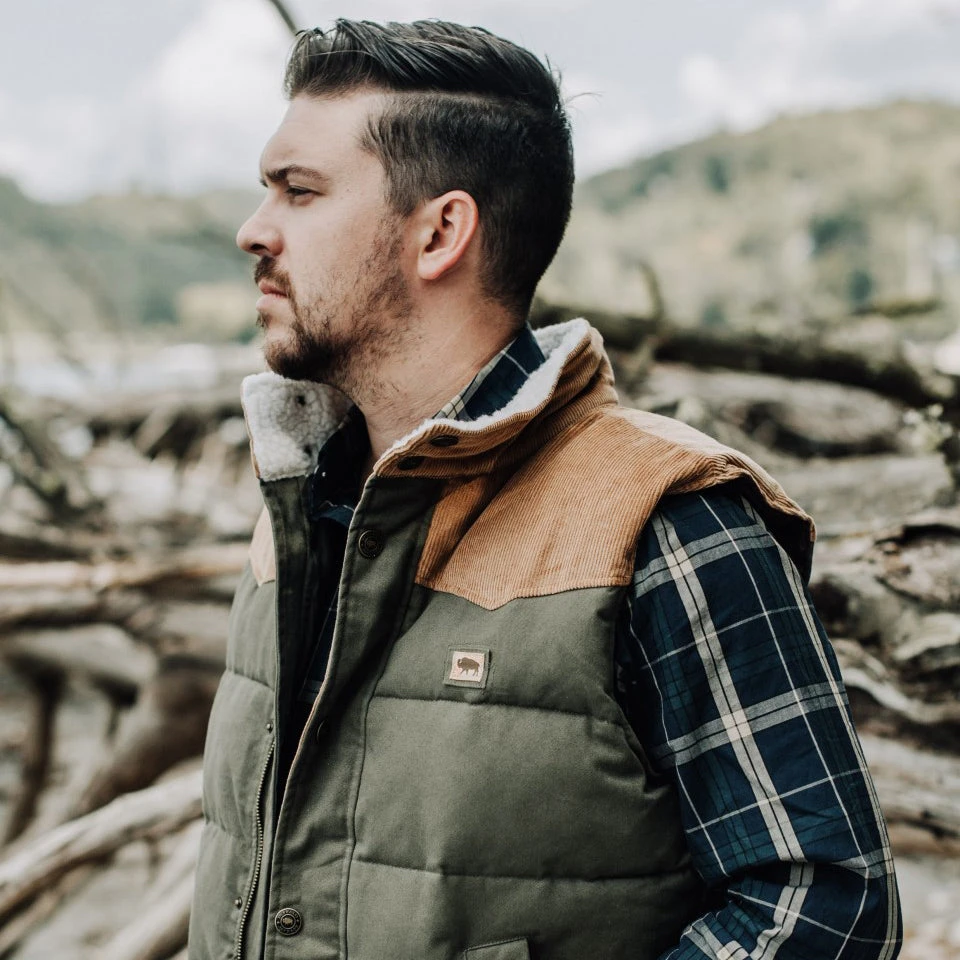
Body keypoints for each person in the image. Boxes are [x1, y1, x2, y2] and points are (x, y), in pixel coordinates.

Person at [188, 18, 901, 960]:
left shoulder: (666, 519)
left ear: (440, 232)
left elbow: (824, 906)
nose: (254, 229)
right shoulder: (298, 500)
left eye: (299, 191)